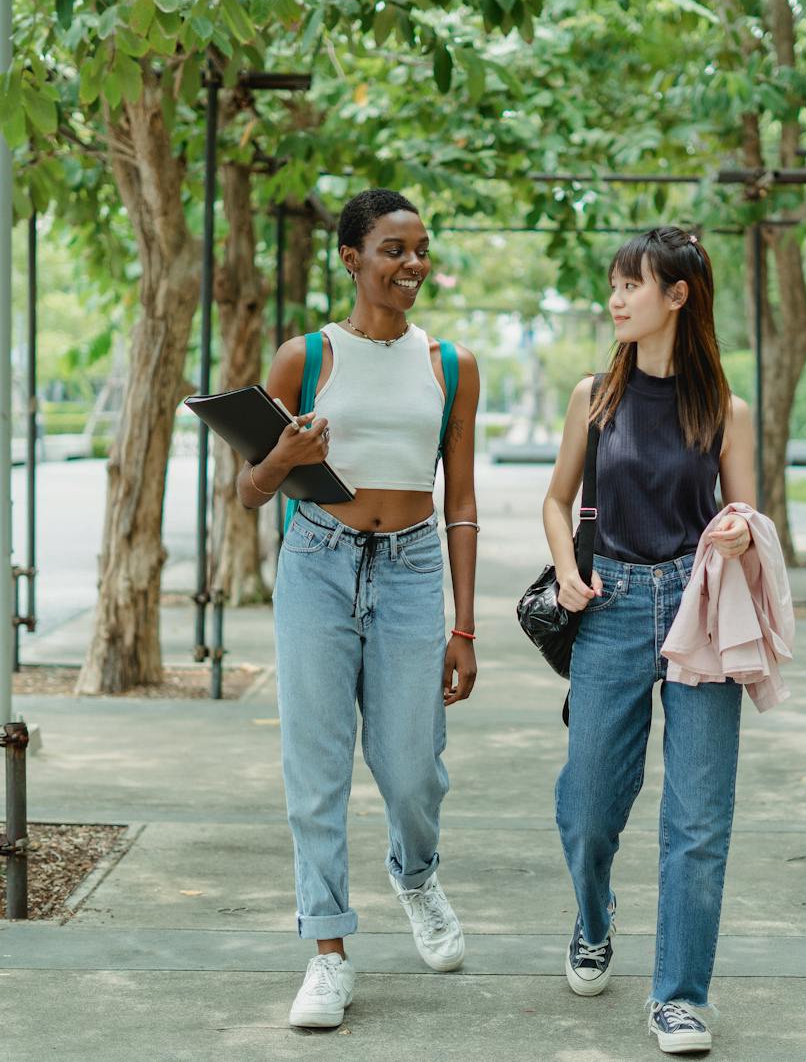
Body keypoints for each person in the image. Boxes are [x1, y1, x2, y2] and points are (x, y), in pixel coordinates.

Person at [238, 188, 481, 1029]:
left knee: (413, 767)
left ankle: (416, 875)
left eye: (420, 248)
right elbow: (247, 491)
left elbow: (460, 498)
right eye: (392, 248)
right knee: (317, 768)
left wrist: (465, 622)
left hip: (414, 569)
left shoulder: (450, 365)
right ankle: (327, 950)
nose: (412, 263)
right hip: (317, 562)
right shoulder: (303, 357)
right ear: (351, 257)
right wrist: (284, 456)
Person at [541, 226, 755, 1056]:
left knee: (698, 818)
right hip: (613, 604)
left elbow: (745, 513)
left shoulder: (725, 410)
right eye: (614, 283)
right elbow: (558, 502)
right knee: (590, 802)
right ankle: (594, 915)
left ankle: (680, 997)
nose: (617, 297)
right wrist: (565, 570)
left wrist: (736, 532)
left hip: (700, 608)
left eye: (634, 283)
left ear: (679, 295)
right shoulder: (594, 394)